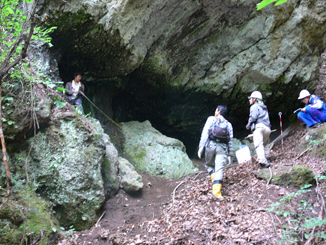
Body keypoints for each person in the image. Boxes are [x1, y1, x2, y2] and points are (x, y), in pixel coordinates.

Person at [198, 105, 233, 199]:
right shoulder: (228, 124)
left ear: (219, 111)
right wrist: (230, 154)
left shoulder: (211, 119)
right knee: (219, 169)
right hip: (223, 148)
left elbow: (205, 133)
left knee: (209, 165)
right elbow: (230, 141)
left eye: (216, 110)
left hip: (210, 146)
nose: (215, 112)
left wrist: (201, 146)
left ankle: (214, 179)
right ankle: (217, 193)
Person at [246, 91, 271, 169]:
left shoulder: (254, 106)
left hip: (259, 127)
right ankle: (268, 159)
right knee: (265, 143)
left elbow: (253, 117)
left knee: (258, 145)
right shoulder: (264, 107)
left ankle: (263, 163)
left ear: (255, 99)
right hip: (267, 128)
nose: (249, 100)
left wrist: (248, 125)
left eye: (251, 99)